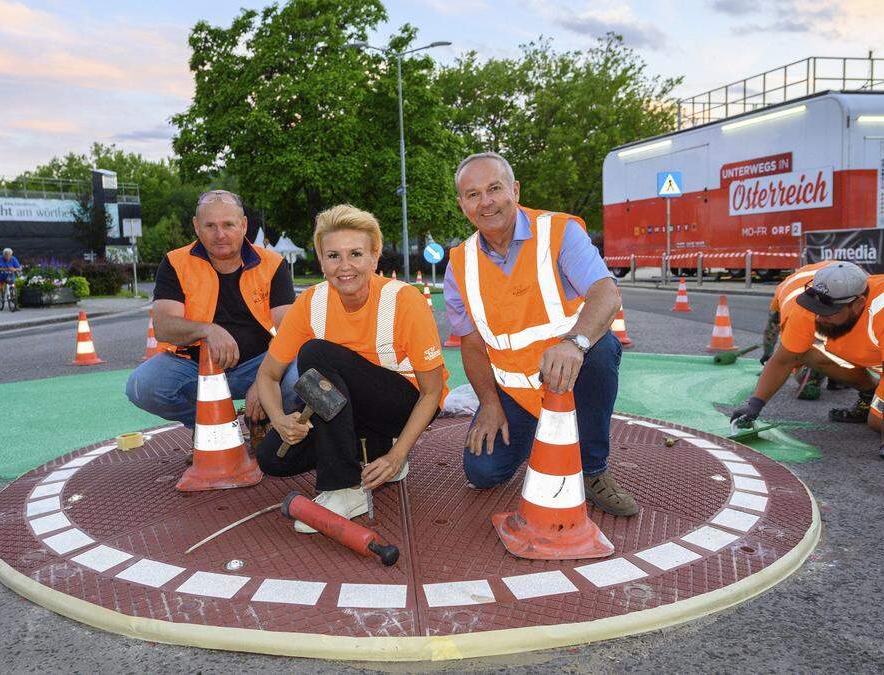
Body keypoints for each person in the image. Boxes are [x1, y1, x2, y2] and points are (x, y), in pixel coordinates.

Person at [443, 152, 636, 516]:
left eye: (495, 188)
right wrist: (488, 403)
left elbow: (605, 293)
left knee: (603, 347)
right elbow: (470, 343)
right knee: (481, 472)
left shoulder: (558, 232)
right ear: (462, 204)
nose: (486, 202)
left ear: (514, 190)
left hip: (569, 376)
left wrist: (574, 343)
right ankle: (542, 434)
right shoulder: (459, 264)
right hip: (515, 392)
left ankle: (593, 468)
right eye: (473, 194)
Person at [253, 204, 449, 531]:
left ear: (375, 256)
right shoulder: (310, 303)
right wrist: (279, 419)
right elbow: (268, 374)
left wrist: (400, 453)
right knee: (273, 458)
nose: (345, 267)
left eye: (356, 254)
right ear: (321, 260)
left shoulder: (405, 301)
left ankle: (343, 487)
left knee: (316, 353)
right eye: (333, 256)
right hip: (349, 410)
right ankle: (373, 451)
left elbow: (433, 391)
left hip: (402, 404)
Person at [732, 262, 884, 466]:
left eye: (828, 312)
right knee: (809, 353)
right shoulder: (812, 306)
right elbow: (784, 358)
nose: (819, 316)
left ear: (858, 303)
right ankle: (870, 395)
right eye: (816, 308)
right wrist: (754, 406)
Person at [126, 190, 298, 436]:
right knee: (142, 385)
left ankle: (266, 423)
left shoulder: (272, 263)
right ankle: (213, 428)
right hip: (195, 367)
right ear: (197, 226)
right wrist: (208, 330)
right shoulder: (176, 262)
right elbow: (164, 325)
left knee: (301, 376)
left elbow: (289, 330)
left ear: (244, 225)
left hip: (259, 363)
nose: (220, 235)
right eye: (210, 226)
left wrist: (265, 379)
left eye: (228, 224)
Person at [761, 260, 859, 405]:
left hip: (804, 312)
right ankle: (837, 375)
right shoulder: (844, 274)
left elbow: (772, 324)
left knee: (804, 350)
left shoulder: (786, 284)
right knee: (842, 337)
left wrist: (768, 353)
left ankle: (812, 374)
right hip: (843, 312)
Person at [0, 247, 21, 312]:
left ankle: (15, 305)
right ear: (3, 254)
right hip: (0, 276)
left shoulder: (13, 259)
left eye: (9, 255)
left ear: (11, 255)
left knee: (13, 289)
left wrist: (14, 269)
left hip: (10, 276)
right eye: (6, 255)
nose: (7, 256)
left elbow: (19, 268)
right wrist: (7, 269)